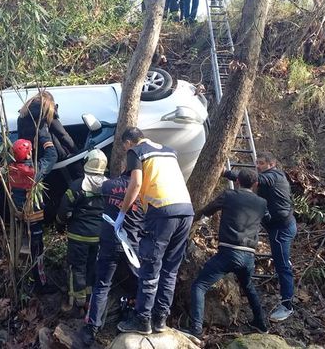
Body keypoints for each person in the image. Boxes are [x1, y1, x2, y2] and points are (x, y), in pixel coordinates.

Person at [116, 127, 194, 335]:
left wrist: (122, 213)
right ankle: (160, 320)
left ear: (128, 143)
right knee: (170, 270)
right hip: (186, 210)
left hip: (162, 210)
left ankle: (142, 321)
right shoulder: (169, 151)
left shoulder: (137, 152)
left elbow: (136, 183)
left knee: (150, 267)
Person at [184, 169, 270, 338]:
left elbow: (208, 210)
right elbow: (267, 219)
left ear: (237, 181)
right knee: (249, 287)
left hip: (228, 252)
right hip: (248, 256)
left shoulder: (229, 195)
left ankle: (195, 330)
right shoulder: (262, 203)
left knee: (199, 286)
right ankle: (261, 323)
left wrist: (192, 219)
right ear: (255, 184)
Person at [224, 151, 296, 322]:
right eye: (257, 162)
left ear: (272, 164)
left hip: (281, 228)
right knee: (282, 263)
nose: (258, 165)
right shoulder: (271, 176)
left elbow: (254, 179)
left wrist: (226, 172)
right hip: (277, 225)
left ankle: (287, 306)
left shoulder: (274, 176)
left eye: (261, 163)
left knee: (282, 266)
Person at [80, 172, 145, 346]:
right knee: (141, 283)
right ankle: (138, 318)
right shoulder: (145, 191)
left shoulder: (108, 186)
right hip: (132, 246)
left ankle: (92, 328)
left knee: (102, 285)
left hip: (110, 243)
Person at [56, 149, 109, 311]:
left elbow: (64, 209)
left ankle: (77, 302)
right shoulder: (109, 185)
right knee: (92, 265)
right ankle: (90, 298)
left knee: (77, 267)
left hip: (78, 236)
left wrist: (59, 224)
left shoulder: (78, 185)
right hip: (99, 236)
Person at [9, 139, 57, 294]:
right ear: (28, 153)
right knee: (37, 251)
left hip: (19, 216)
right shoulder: (32, 171)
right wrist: (46, 139)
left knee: (27, 246)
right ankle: (40, 284)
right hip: (33, 219)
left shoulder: (10, 169)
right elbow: (51, 157)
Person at [17, 91, 77, 179]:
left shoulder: (22, 115)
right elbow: (63, 135)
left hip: (33, 157)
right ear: (51, 102)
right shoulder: (48, 112)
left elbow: (20, 139)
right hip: (49, 153)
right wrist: (76, 151)